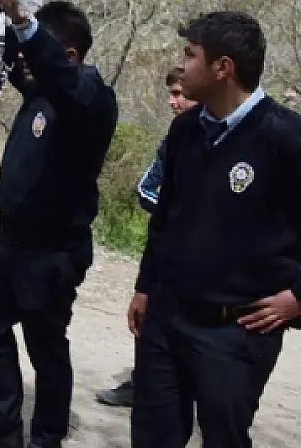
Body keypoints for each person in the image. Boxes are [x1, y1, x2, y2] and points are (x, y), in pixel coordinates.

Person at [0, 0, 118, 448]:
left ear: (68, 55)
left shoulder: (89, 97)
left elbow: (56, 76)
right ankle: (4, 423)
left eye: (35, 49)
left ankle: (46, 437)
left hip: (53, 249)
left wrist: (23, 19)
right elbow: (3, 60)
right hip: (11, 241)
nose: (24, 60)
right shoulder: (41, 90)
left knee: (45, 346)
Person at [129, 12, 301, 447]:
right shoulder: (185, 129)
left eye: (190, 55)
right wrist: (145, 287)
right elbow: (164, 219)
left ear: (223, 68)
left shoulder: (286, 137)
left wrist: (298, 297)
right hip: (166, 318)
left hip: (236, 332)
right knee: (153, 437)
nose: (180, 66)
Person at [95, 66, 196, 408]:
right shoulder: (175, 139)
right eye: (170, 93)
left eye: (180, 94)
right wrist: (180, 218)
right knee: (151, 315)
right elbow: (146, 188)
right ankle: (142, 383)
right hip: (168, 252)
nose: (173, 102)